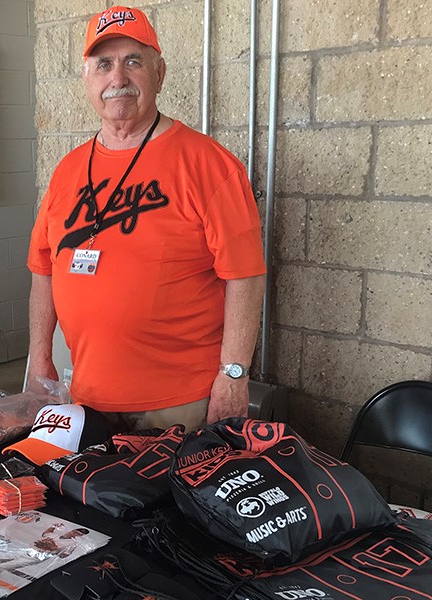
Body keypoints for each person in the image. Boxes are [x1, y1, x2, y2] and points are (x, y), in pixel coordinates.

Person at [26, 6, 267, 432]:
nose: (117, 78)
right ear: (87, 78)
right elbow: (43, 269)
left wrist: (234, 375)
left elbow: (245, 277)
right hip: (86, 399)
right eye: (104, 64)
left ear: (160, 73)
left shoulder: (209, 164)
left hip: (180, 404)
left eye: (133, 61)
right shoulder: (67, 171)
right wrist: (40, 356)